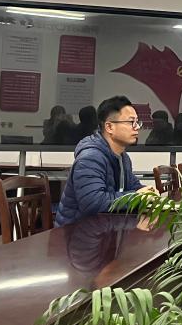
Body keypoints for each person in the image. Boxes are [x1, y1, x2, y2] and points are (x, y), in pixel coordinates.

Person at [55, 95, 157, 227]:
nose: (137, 127)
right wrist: (137, 197)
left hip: (105, 229)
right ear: (109, 127)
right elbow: (93, 203)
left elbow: (133, 186)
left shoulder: (123, 157)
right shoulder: (90, 158)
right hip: (76, 233)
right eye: (131, 122)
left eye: (138, 122)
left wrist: (147, 192)